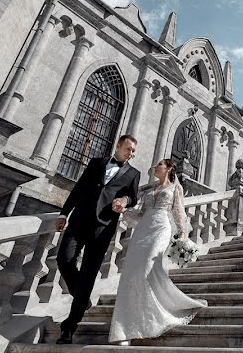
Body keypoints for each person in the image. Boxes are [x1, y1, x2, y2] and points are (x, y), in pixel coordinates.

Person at [108, 158, 206, 344]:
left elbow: (178, 211)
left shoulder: (175, 188)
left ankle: (156, 315)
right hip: (142, 230)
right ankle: (125, 328)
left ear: (169, 169)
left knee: (147, 268)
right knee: (131, 273)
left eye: (159, 164)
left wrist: (183, 235)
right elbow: (140, 214)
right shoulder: (151, 191)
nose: (155, 167)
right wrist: (122, 211)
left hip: (161, 229)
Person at [54, 134, 141, 345]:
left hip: (103, 227)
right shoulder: (96, 163)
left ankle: (69, 328)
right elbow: (78, 189)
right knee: (63, 259)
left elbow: (134, 197)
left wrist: (124, 200)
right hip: (79, 220)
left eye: (133, 152)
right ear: (118, 145)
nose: (131, 154)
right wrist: (63, 213)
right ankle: (82, 299)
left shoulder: (133, 173)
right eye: (128, 149)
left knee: (88, 274)